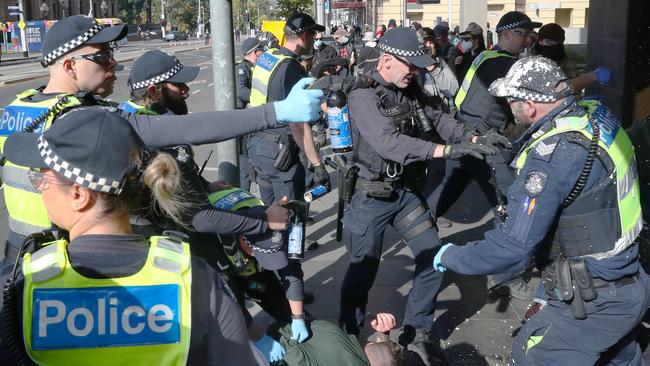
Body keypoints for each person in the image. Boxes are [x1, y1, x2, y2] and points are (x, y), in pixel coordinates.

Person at [0, 15, 323, 266]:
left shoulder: (19, 108)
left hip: (22, 259)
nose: (115, 63)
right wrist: (276, 111)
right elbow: (186, 129)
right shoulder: (81, 122)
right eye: (102, 56)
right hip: (74, 264)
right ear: (69, 65)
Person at [0, 107, 268, 365]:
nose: (40, 188)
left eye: (42, 179)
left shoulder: (24, 285)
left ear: (79, 195)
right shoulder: (196, 279)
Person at [434, 56, 650, 365]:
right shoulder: (594, 116)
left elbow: (512, 248)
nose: (509, 104)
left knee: (531, 355)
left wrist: (452, 255)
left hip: (591, 300)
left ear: (530, 105)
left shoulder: (553, 158)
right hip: (626, 281)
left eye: (512, 98)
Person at [338, 26, 503, 363]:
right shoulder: (363, 95)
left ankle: (417, 331)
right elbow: (389, 144)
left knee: (433, 256)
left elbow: (440, 118)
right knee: (361, 271)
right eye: (410, 67)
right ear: (387, 61)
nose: (414, 73)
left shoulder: (410, 87)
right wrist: (448, 151)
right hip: (372, 196)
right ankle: (348, 333)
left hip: (405, 194)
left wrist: (473, 138)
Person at [427, 11, 542, 300]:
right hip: (485, 142)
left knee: (446, 190)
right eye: (522, 34)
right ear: (505, 34)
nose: (528, 39)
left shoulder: (488, 57)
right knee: (511, 204)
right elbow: (527, 103)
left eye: (530, 35)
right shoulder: (503, 64)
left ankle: (420, 238)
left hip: (466, 135)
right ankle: (506, 274)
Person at [248, 12, 330, 206]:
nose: (315, 41)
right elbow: (298, 124)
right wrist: (318, 164)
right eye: (313, 36)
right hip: (280, 153)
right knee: (290, 215)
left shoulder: (269, 57)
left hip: (258, 145)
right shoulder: (292, 68)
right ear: (304, 36)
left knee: (270, 214)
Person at [533, 23, 612, 93]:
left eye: (557, 42)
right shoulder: (530, 63)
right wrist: (592, 76)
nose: (553, 45)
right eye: (549, 41)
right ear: (540, 41)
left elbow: (574, 90)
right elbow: (553, 90)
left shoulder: (566, 64)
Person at [235, 38, 265, 190]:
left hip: (251, 118)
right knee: (245, 161)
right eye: (261, 50)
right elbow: (241, 92)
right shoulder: (243, 68)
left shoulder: (254, 67)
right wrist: (261, 98)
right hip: (243, 120)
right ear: (254, 52)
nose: (263, 53)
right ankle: (243, 195)